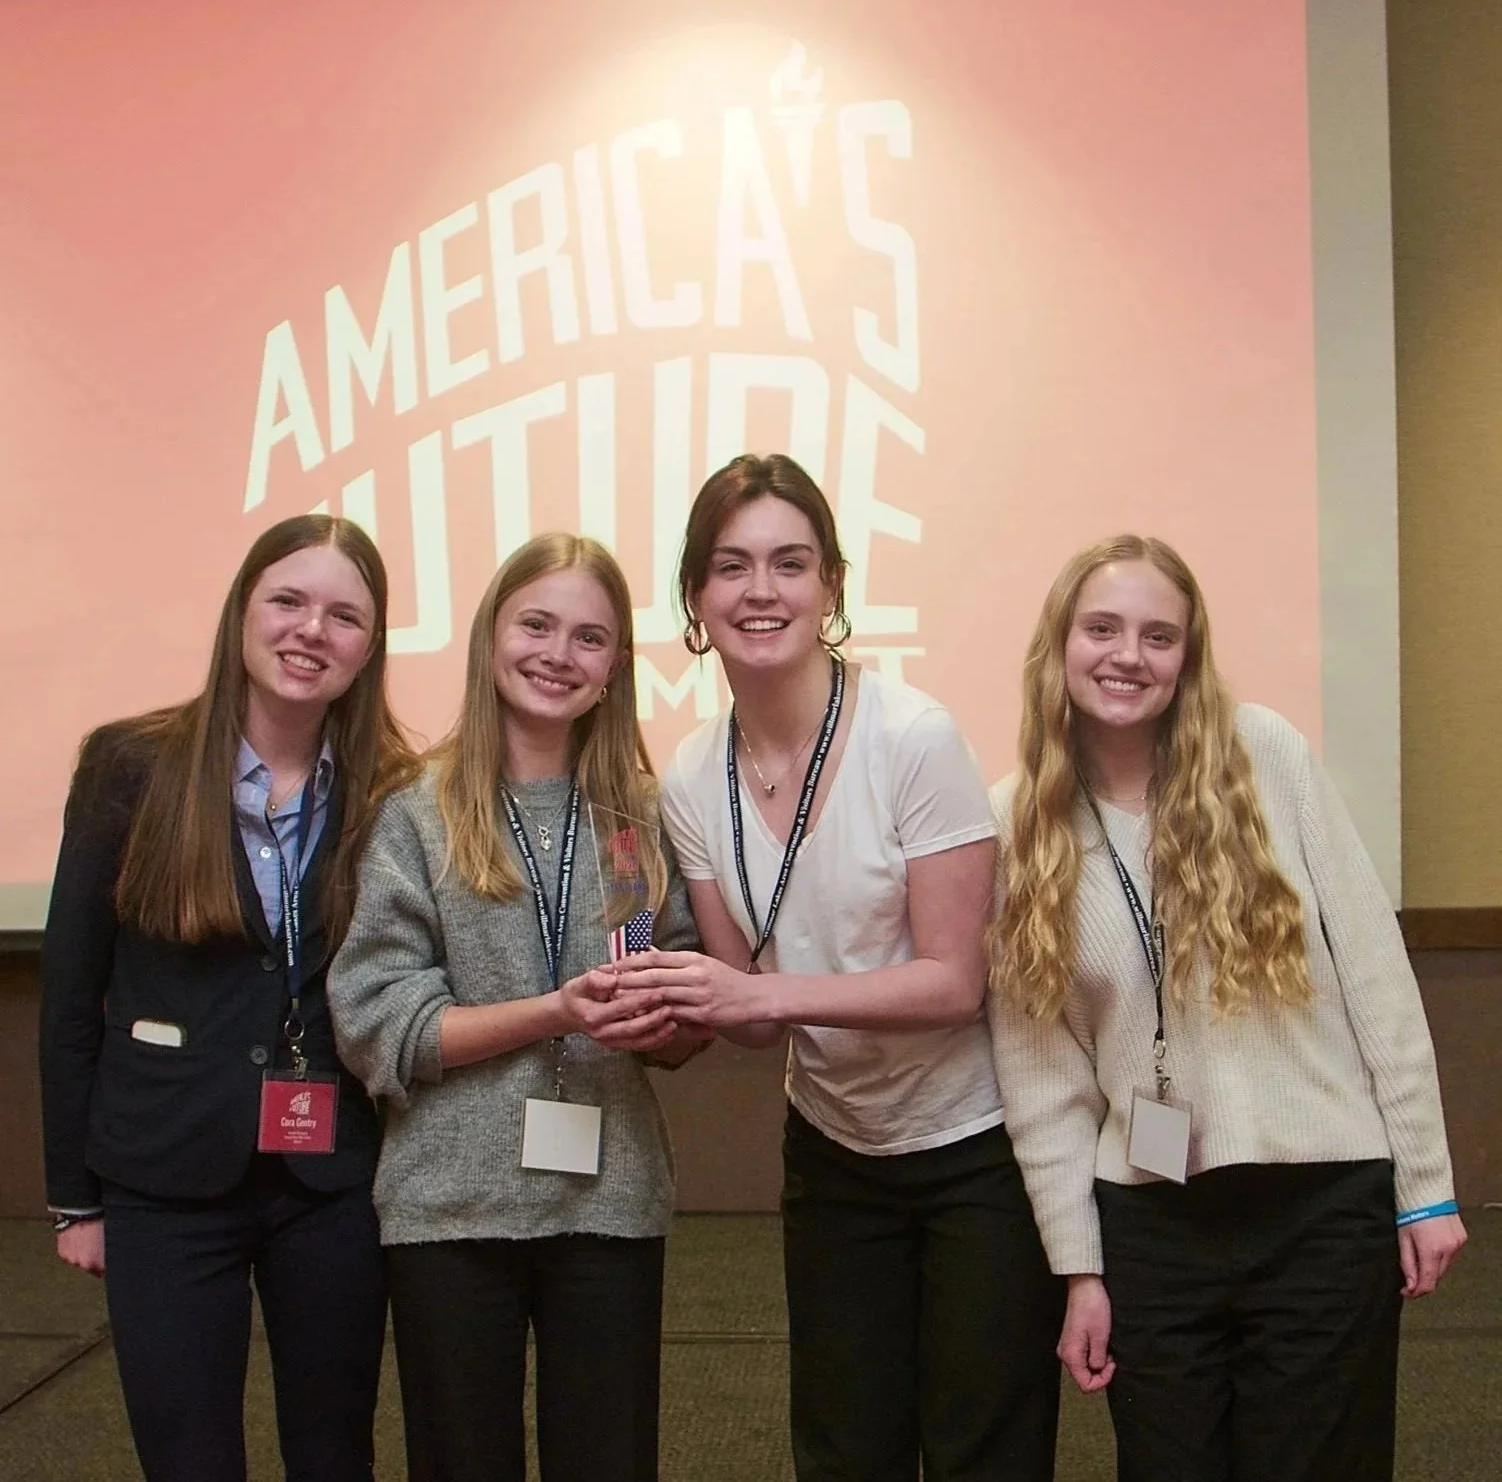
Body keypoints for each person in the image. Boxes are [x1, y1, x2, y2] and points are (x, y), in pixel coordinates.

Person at [613, 455, 1063, 1482]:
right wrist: (659, 1000)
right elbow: (754, 1022)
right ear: (694, 597)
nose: (759, 590)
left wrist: (753, 993)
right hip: (832, 1151)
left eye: (788, 562)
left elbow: (954, 982)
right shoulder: (689, 772)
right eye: (729, 566)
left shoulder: (911, 737)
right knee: (842, 1444)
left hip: (973, 1150)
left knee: (979, 1447)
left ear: (830, 588)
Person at [987, 533, 1466, 1482]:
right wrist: (1080, 1269)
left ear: (1188, 656)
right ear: (1061, 642)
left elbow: (1376, 972)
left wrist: (1426, 1183)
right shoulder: (1018, 819)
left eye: (1159, 635)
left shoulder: (1265, 756)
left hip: (1322, 1202)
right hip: (1151, 1223)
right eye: (1104, 628)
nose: (1129, 654)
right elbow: (1043, 1079)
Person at [39, 514, 417, 1482]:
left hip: (331, 1181)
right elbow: (72, 996)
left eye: (344, 615)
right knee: (187, 1458)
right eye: (287, 600)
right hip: (162, 1176)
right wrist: (73, 1200)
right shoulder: (131, 766)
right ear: (242, 612)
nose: (310, 631)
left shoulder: (392, 788)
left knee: (334, 1453)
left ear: (369, 646)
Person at [327, 532, 704, 1482]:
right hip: (448, 1205)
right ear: (491, 634)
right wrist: (555, 1011)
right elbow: (380, 1021)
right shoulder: (415, 810)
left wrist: (669, 1018)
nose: (557, 653)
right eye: (536, 623)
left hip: (609, 1197)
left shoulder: (640, 815)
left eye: (589, 637)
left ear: (616, 666)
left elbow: (685, 985)